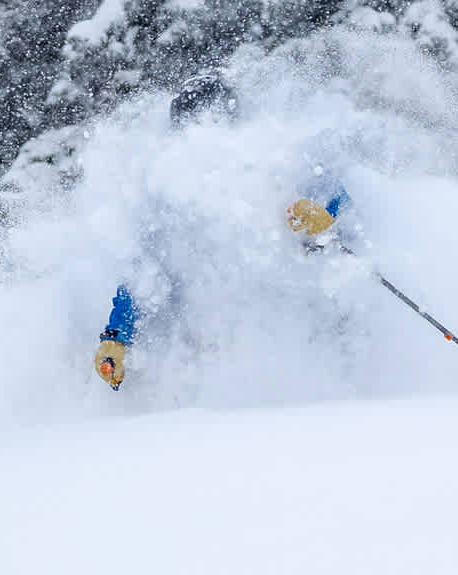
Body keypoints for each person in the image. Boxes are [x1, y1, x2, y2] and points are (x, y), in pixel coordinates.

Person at [93, 70, 354, 390]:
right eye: (194, 129)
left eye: (217, 123)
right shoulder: (169, 193)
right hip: (217, 347)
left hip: (302, 329)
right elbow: (145, 275)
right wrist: (117, 338)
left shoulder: (281, 162)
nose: (206, 138)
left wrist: (326, 218)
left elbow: (341, 206)